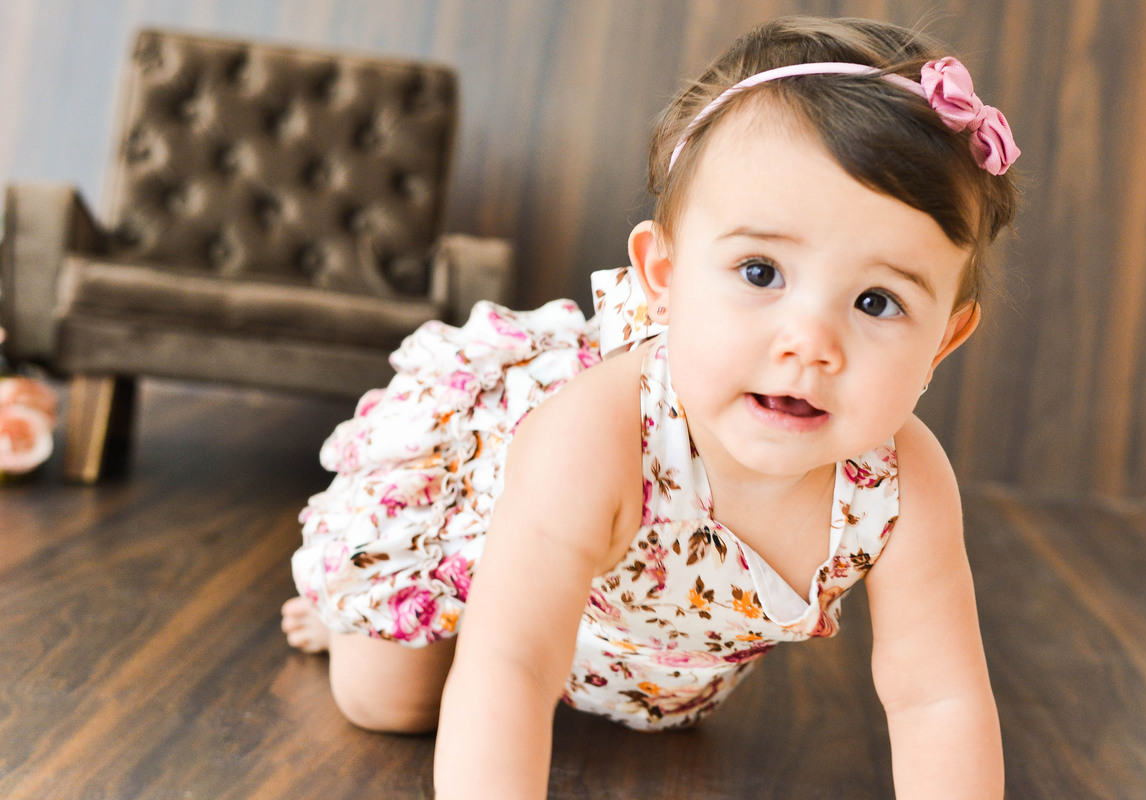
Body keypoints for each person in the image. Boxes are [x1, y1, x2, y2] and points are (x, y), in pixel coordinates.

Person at [281, 14, 1019, 799]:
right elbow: (513, 664)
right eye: (761, 272)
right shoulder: (597, 431)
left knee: (665, 718)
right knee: (389, 700)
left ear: (945, 337)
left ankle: (626, 676)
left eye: (876, 301)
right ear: (662, 277)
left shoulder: (904, 484)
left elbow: (938, 699)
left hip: (661, 654)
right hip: (491, 578)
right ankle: (345, 627)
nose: (810, 343)